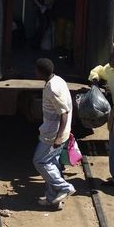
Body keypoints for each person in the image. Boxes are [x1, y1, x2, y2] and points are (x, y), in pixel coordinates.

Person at [33, 58, 75, 208]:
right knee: (52, 164)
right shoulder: (58, 80)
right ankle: (53, 199)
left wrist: (58, 137)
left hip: (52, 134)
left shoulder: (52, 88)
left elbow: (63, 113)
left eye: (36, 70)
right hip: (56, 131)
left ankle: (64, 187)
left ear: (40, 72)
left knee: (40, 161)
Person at [89, 46, 114, 187]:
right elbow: (97, 70)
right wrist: (95, 78)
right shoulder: (110, 70)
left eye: (113, 58)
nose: (110, 60)